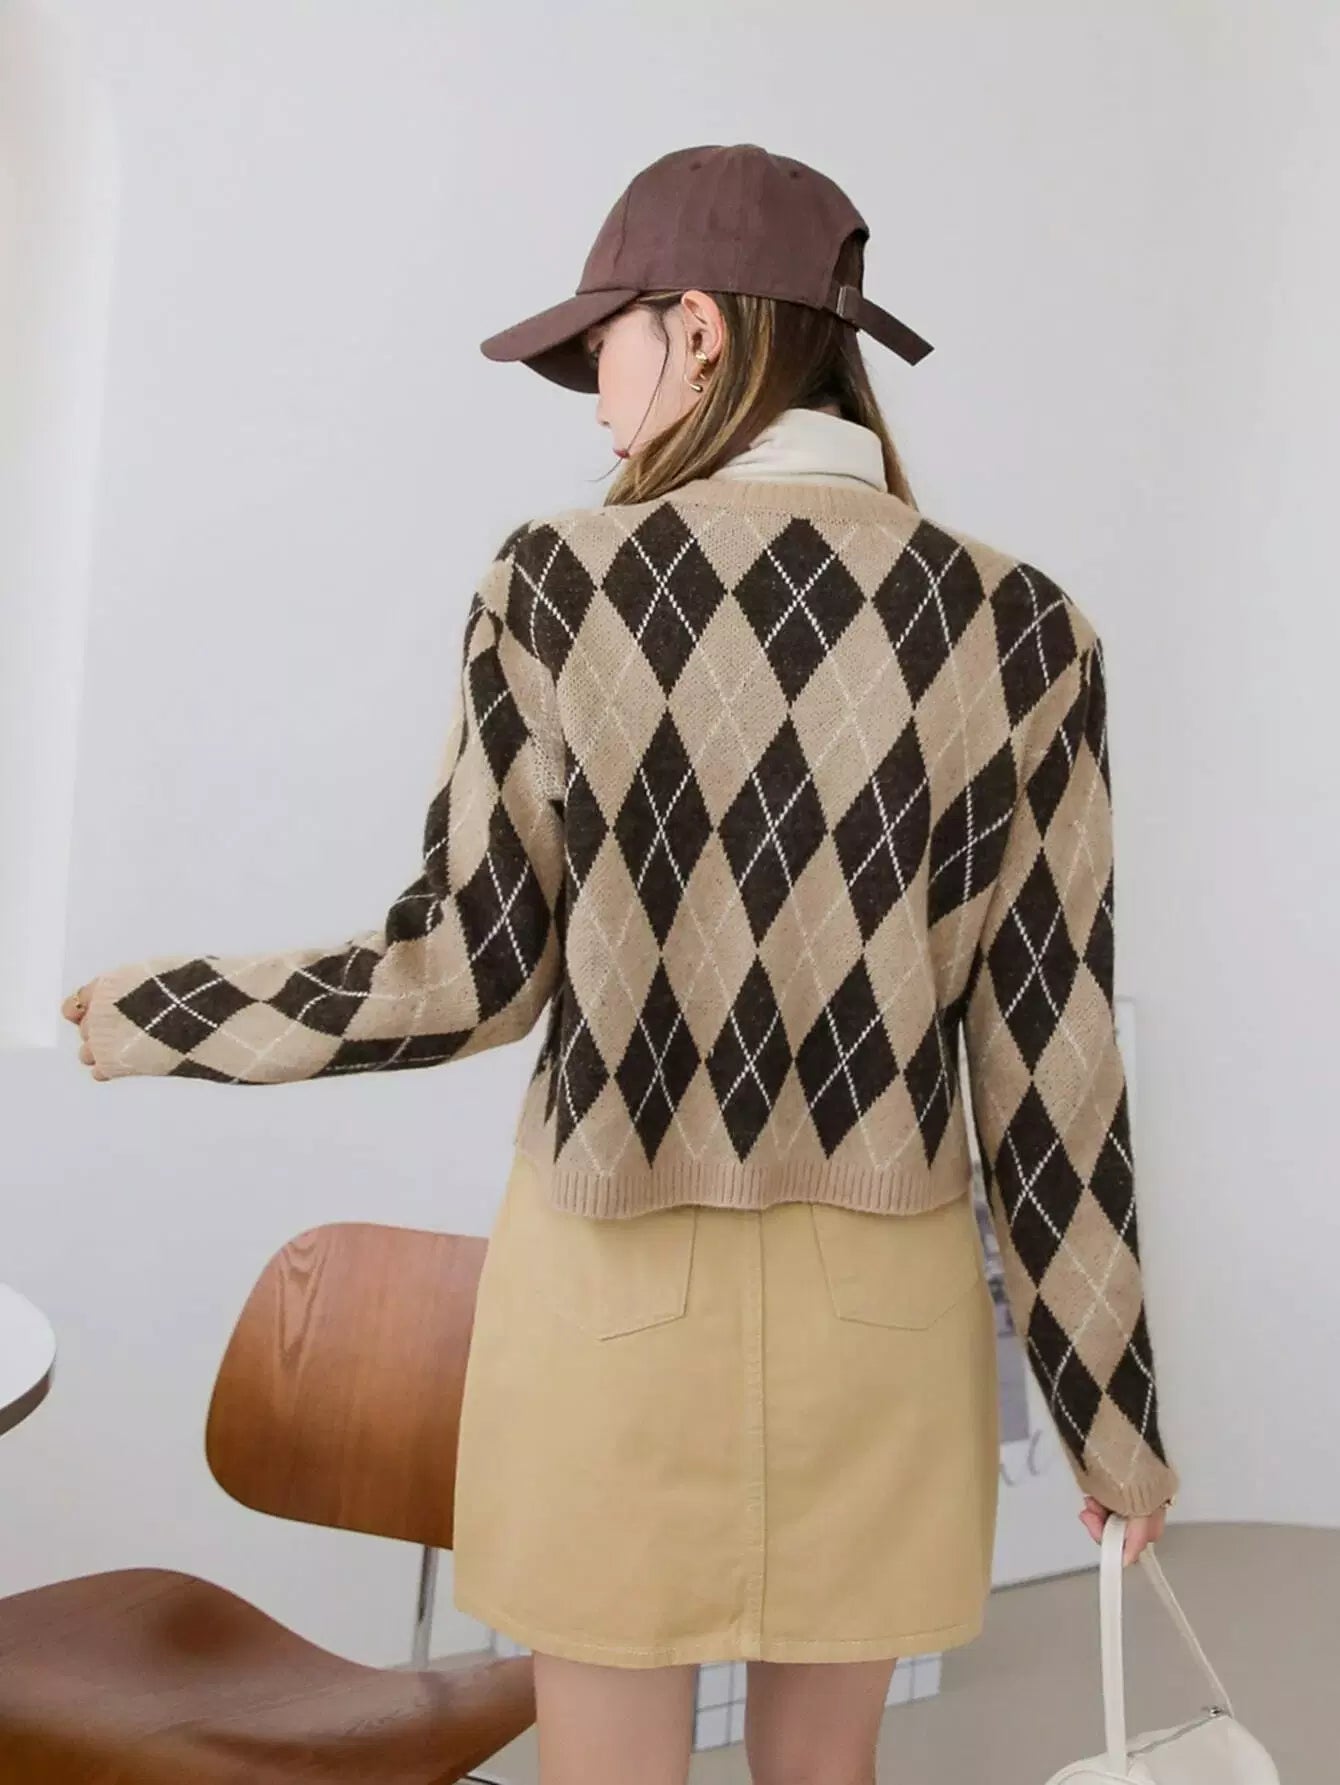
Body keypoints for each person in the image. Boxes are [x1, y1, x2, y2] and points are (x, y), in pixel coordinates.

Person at [63, 143, 1178, 1785]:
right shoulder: (1028, 630)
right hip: (879, 1316)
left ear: (701, 328)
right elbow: (1052, 1063)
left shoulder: (553, 585)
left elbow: (460, 972)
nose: (598, 401)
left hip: (605, 1306)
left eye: (604, 348)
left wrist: (152, 1013)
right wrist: (1113, 1419)